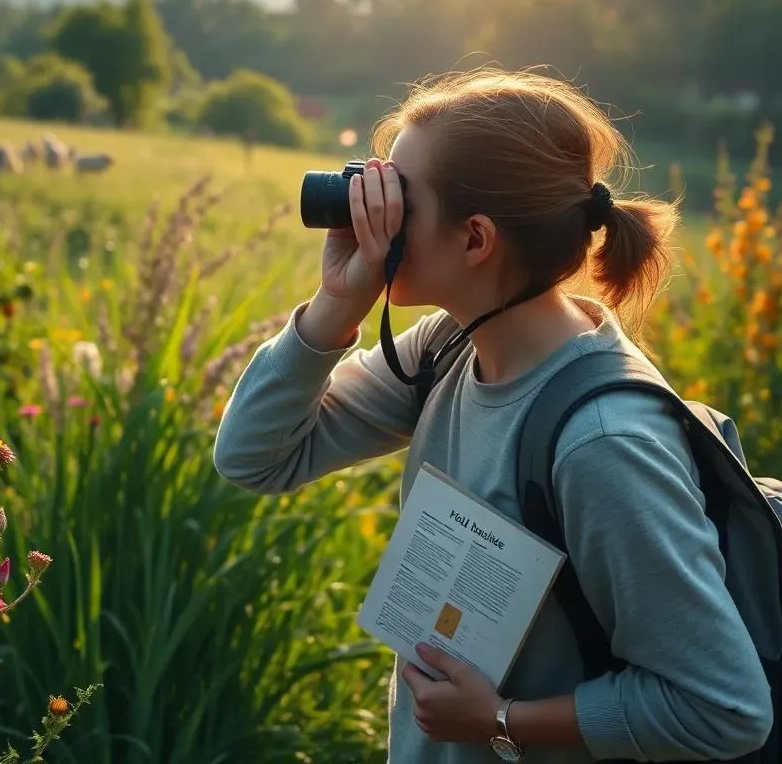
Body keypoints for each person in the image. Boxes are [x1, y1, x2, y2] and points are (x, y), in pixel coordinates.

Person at [212, 70, 773, 764]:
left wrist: (503, 719)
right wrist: (337, 304)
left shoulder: (604, 444)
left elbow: (724, 709)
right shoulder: (449, 346)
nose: (368, 213)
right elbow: (254, 458)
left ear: (475, 239)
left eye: (398, 197)